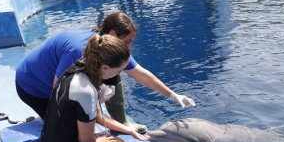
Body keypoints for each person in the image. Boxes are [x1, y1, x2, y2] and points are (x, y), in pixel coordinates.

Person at [15, 11, 195, 133]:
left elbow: (140, 74)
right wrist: (95, 102)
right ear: (114, 34)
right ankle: (43, 123)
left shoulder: (107, 47)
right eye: (129, 41)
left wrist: (173, 95)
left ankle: (120, 120)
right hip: (33, 87)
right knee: (68, 131)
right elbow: (60, 94)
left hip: (54, 84)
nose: (131, 46)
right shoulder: (80, 51)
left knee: (116, 68)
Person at [37, 34, 148, 142]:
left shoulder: (76, 69)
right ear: (104, 68)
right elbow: (86, 141)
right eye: (119, 71)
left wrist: (128, 129)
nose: (120, 75)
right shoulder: (86, 90)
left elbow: (95, 117)